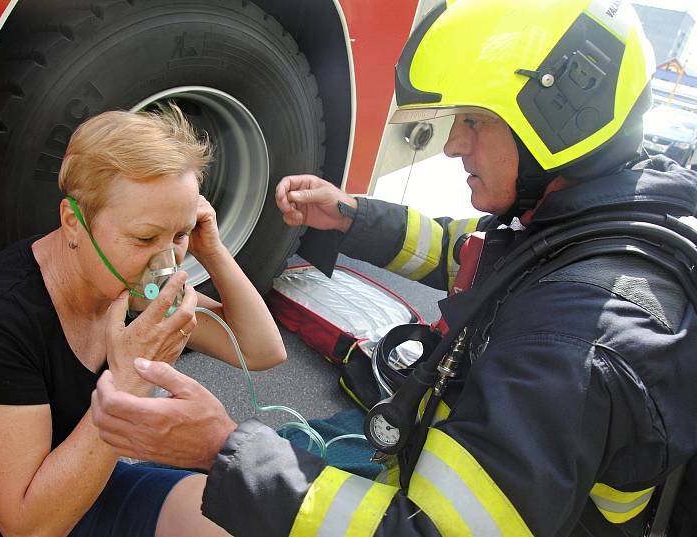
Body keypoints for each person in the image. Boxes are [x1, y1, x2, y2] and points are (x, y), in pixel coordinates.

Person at [90, 1, 697, 535]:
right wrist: (350, 216)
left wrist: (224, 448)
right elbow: (468, 252)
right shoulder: (582, 223)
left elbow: (424, 530)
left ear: (559, 121)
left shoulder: (572, 347)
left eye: (476, 122)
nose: (455, 143)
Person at [0, 106, 286, 536]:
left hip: (88, 490)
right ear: (72, 222)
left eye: (178, 235)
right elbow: (30, 528)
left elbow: (261, 349)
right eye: (144, 237)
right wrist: (128, 382)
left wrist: (209, 247)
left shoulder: (130, 286)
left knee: (237, 515)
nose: (168, 262)